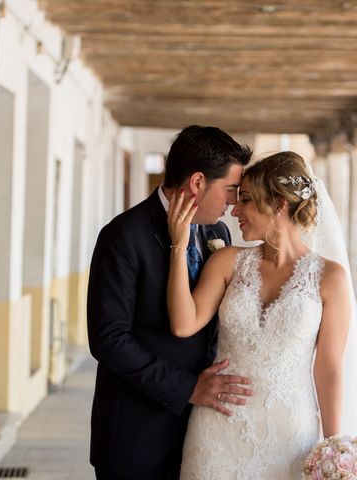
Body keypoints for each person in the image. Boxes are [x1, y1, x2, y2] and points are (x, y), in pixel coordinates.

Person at [167, 151, 357, 479]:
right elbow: (184, 324)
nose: (235, 210)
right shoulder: (227, 261)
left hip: (291, 435)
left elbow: (329, 368)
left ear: (279, 204)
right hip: (216, 431)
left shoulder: (330, 277)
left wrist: (334, 447)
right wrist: (178, 246)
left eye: (247, 200)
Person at [87, 125, 253, 479]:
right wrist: (188, 387)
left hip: (202, 432)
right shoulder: (123, 235)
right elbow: (109, 339)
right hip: (135, 432)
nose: (233, 202)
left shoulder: (218, 234)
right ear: (196, 183)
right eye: (229, 190)